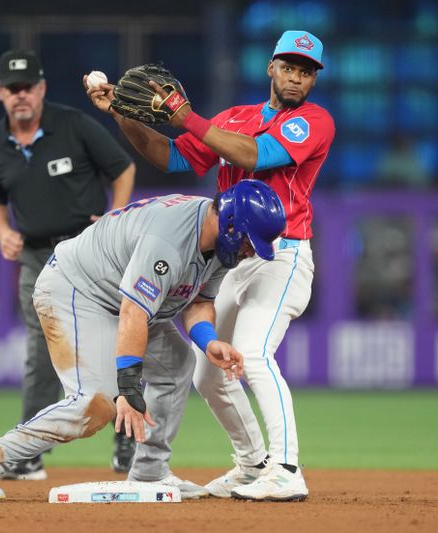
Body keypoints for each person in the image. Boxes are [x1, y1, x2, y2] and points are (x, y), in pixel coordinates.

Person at [86, 29, 334, 501]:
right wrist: (121, 112)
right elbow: (169, 154)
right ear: (271, 68)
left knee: (255, 353)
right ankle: (251, 464)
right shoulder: (234, 118)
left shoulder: (314, 121)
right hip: (233, 256)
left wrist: (186, 116)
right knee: (207, 373)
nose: (296, 78)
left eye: (306, 71)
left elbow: (256, 154)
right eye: (288, 67)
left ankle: (286, 470)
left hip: (283, 254)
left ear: (313, 79)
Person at [0, 180, 287, 501]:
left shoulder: (218, 245)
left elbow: (198, 302)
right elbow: (133, 313)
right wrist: (128, 388)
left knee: (177, 364)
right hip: (76, 289)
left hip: (121, 300)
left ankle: (150, 472)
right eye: (249, 242)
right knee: (97, 402)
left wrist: (209, 341)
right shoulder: (170, 239)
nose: (249, 251)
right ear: (231, 224)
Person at [0, 49, 137, 479]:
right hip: (36, 257)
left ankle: (127, 442)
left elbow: (122, 168)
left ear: (42, 88)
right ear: (0, 93)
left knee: (123, 339)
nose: (21, 95)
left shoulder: (73, 125)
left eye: (28, 86)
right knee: (40, 351)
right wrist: (0, 230)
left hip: (91, 255)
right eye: (12, 89)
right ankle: (28, 453)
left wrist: (115, 217)